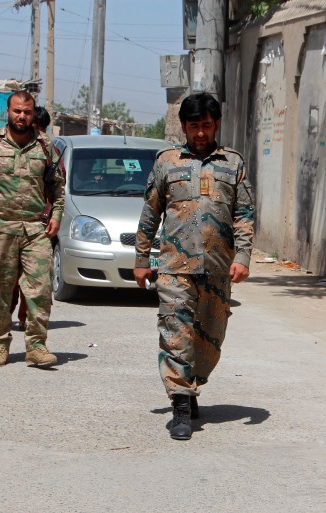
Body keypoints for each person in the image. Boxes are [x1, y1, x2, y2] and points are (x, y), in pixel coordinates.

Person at [133, 92, 255, 440]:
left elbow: (244, 214)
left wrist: (243, 258)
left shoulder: (232, 164)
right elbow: (150, 213)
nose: (199, 133)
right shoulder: (166, 162)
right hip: (174, 266)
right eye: (193, 126)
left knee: (210, 337)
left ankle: (193, 381)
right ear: (184, 127)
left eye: (205, 125)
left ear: (216, 124)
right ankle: (181, 403)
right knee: (176, 334)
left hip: (217, 268)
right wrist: (142, 260)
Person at [0, 91, 64, 368]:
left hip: (35, 229)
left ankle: (37, 346)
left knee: (40, 288)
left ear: (34, 114)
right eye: (17, 111)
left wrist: (56, 214)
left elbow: (57, 185)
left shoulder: (45, 146)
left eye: (27, 112)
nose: (22, 116)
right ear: (7, 112)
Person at [9, 106, 52, 331]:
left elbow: (56, 187)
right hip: (11, 224)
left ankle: (25, 318)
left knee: (33, 278)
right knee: (10, 277)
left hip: (38, 225)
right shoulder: (9, 144)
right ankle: (7, 316)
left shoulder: (46, 149)